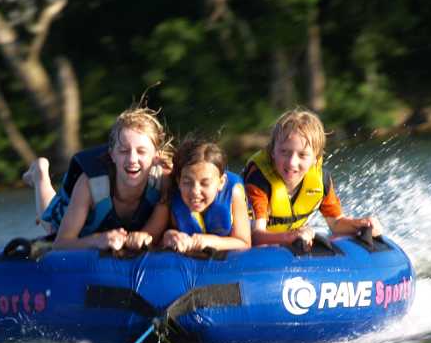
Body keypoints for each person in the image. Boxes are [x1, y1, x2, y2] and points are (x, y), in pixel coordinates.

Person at [23, 106, 173, 251]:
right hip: (83, 228)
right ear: (112, 155)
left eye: (141, 151)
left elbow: (153, 232)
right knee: (51, 224)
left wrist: (144, 237)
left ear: (156, 157)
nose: (132, 159)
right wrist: (97, 240)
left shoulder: (164, 180)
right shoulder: (90, 184)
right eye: (123, 151)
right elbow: (60, 243)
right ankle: (40, 174)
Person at [242, 107, 383, 250]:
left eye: (302, 155)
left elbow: (336, 223)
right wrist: (291, 237)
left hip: (290, 241)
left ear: (316, 158)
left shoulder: (321, 181)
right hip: (255, 246)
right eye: (284, 152)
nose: (292, 163)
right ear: (272, 152)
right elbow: (256, 235)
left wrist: (360, 224)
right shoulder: (259, 180)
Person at [143, 137, 251, 253]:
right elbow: (154, 239)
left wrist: (208, 241)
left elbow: (244, 242)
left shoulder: (234, 193)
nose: (195, 191)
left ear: (221, 182)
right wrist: (169, 236)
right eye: (187, 182)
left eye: (205, 183)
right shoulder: (172, 197)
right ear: (179, 181)